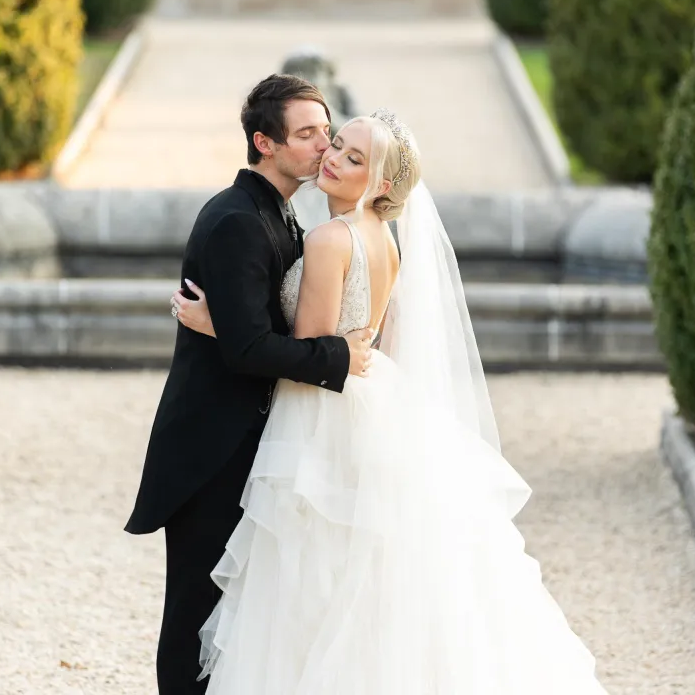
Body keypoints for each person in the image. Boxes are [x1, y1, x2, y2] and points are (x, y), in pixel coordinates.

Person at [170, 108, 611, 694]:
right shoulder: (386, 241)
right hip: (374, 400)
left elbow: (306, 349)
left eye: (353, 157)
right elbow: (378, 341)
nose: (332, 157)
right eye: (336, 144)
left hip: (321, 415)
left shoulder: (330, 238)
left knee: (312, 579)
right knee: (372, 579)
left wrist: (221, 325)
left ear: (380, 184)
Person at [124, 73, 376, 695]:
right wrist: (337, 357)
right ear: (265, 143)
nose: (324, 146)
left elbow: (251, 327)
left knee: (235, 617)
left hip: (249, 443)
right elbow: (246, 352)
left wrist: (225, 327)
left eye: (327, 131)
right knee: (194, 615)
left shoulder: (284, 215)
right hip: (210, 452)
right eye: (308, 134)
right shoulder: (238, 220)